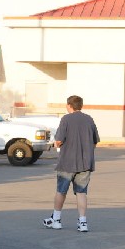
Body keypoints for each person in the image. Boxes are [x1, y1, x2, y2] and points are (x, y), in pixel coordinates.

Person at [43, 95, 100, 232]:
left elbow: (59, 141)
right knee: (81, 193)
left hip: (67, 162)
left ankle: (56, 220)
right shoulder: (89, 119)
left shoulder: (66, 119)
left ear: (69, 105)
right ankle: (83, 222)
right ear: (80, 105)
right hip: (85, 163)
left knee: (61, 191)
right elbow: (95, 141)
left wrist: (56, 143)